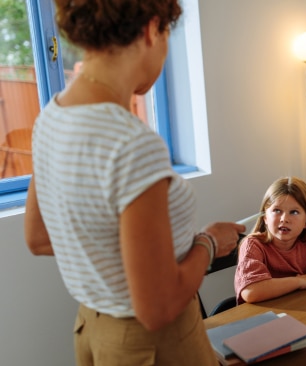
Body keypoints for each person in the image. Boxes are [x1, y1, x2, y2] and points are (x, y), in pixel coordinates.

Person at [23, 1, 245, 364]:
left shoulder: (51, 118)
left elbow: (39, 238)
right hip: (155, 343)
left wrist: (140, 260)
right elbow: (156, 309)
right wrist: (208, 242)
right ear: (151, 29)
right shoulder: (132, 144)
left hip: (94, 331)